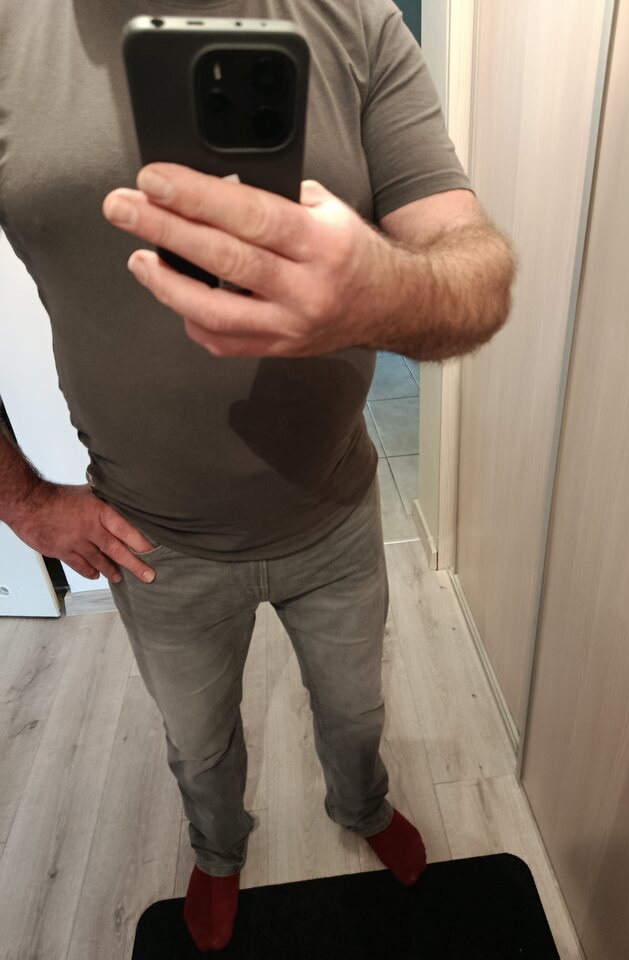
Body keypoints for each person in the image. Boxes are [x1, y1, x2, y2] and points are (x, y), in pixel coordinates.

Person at [0, 0, 515, 952]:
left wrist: (381, 291)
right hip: (154, 542)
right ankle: (218, 851)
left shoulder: (354, 19)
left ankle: (362, 806)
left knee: (356, 710)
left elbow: (476, 270)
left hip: (336, 514)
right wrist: (24, 502)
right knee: (198, 745)